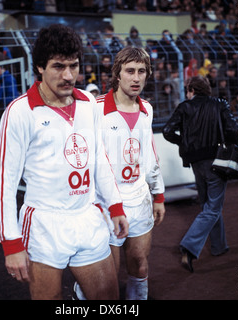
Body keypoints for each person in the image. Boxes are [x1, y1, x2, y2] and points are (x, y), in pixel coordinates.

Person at [0, 24, 128, 300]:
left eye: (73, 66)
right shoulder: (19, 112)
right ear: (40, 67)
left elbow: (99, 158)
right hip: (44, 224)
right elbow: (3, 182)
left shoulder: (89, 103)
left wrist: (115, 205)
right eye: (58, 66)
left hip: (87, 217)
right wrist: (11, 243)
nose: (68, 75)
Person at [75, 46, 166, 300]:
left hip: (139, 199)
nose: (136, 78)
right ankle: (81, 295)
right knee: (107, 278)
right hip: (105, 204)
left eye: (141, 71)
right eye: (129, 71)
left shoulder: (146, 109)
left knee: (139, 264)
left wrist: (158, 195)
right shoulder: (96, 109)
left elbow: (150, 155)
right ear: (117, 74)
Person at [162, 76, 238, 273]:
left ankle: (218, 246)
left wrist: (184, 143)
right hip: (217, 160)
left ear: (192, 90)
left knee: (209, 205)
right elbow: (232, 130)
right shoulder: (219, 104)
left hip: (196, 163)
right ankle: (189, 245)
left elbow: (167, 131)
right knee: (213, 207)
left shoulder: (184, 107)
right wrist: (230, 147)